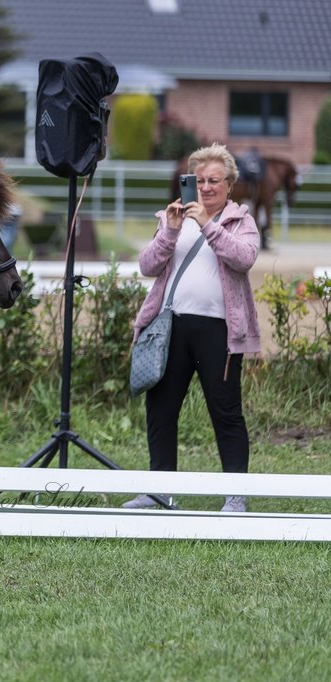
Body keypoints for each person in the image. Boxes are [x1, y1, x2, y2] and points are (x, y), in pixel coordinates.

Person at [124, 143, 260, 512]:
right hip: (171, 327)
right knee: (161, 410)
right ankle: (159, 491)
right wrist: (169, 231)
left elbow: (243, 258)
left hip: (218, 331)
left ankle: (235, 496)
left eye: (214, 180)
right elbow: (147, 266)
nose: (206, 187)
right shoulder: (172, 218)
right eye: (198, 180)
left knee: (226, 411)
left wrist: (206, 224)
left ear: (230, 184)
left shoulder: (241, 221)